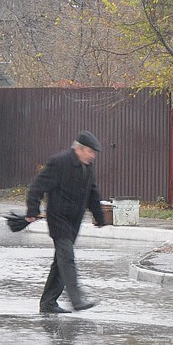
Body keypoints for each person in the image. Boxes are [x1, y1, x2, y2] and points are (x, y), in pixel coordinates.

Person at [25, 131, 107, 314]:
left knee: (60, 262)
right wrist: (32, 210)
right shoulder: (59, 162)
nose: (93, 156)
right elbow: (37, 186)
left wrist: (99, 217)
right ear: (79, 149)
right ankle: (76, 300)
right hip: (58, 218)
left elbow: (92, 193)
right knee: (67, 257)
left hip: (74, 222)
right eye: (90, 152)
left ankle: (48, 303)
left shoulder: (87, 167)